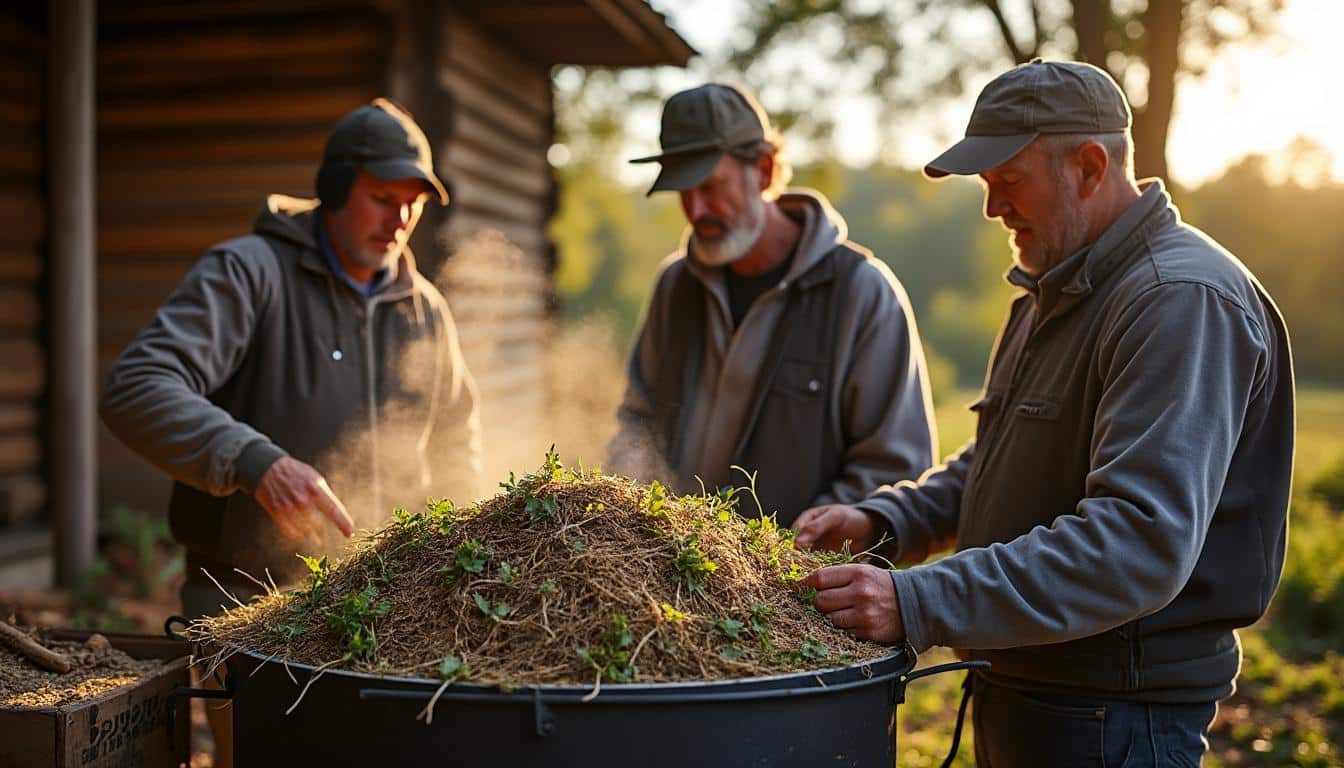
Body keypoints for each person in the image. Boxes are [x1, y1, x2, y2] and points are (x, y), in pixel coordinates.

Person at [794, 60, 1294, 766]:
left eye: (1009, 182)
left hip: (1115, 716)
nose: (993, 208)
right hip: (1033, 687)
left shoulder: (1177, 299)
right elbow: (1000, 460)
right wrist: (889, 521)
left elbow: (1137, 541)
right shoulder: (1054, 289)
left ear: (1090, 168)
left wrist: (918, 602)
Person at [101, 99, 482, 628]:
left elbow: (455, 442)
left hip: (387, 612)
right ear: (335, 187)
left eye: (413, 203)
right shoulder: (248, 274)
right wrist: (256, 463)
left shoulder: (426, 311)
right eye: (382, 197)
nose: (399, 219)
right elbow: (136, 387)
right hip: (246, 604)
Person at [607, 83, 937, 525]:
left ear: (763, 170)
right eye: (683, 192)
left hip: (792, 588)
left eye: (710, 186)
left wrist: (780, 555)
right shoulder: (674, 285)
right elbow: (638, 420)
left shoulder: (860, 292)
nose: (696, 208)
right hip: (667, 580)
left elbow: (896, 473)